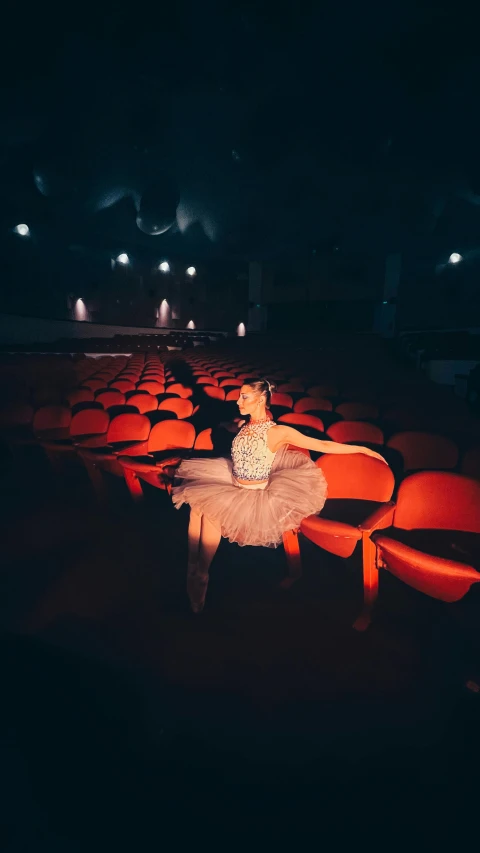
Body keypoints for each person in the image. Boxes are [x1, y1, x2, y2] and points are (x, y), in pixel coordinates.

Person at [172, 379, 386, 612]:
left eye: (244, 396)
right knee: (197, 506)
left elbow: (321, 444)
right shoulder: (243, 424)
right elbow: (229, 426)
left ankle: (202, 574)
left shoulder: (278, 432)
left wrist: (364, 449)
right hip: (232, 482)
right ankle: (191, 565)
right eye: (239, 396)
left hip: (254, 494)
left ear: (261, 399)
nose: (237, 400)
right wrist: (225, 426)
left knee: (211, 511)